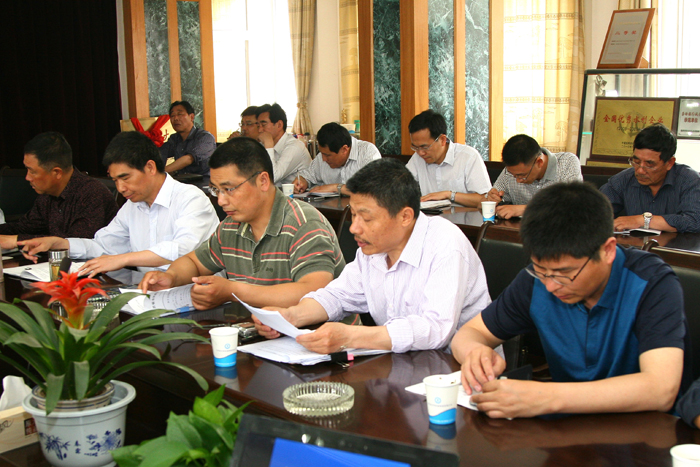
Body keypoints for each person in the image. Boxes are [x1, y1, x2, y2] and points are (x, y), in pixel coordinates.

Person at [451, 182, 687, 419]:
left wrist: (546, 397)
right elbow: (470, 333)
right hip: (567, 426)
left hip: (641, 429)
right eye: (541, 270)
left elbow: (661, 389)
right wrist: (475, 353)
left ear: (607, 250)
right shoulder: (535, 281)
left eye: (564, 273)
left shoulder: (651, 283)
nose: (551, 286)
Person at [256, 158, 491, 354]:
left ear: (405, 216)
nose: (354, 228)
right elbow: (337, 296)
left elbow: (435, 329)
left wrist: (352, 336)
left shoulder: (445, 244)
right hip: (400, 366)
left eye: (366, 218)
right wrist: (291, 315)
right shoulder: (372, 250)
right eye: (353, 214)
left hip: (459, 370)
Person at [138, 137, 344, 310]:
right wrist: (171, 277)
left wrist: (232, 291)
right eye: (216, 190)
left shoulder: (304, 224)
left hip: (322, 340)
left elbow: (313, 291)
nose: (221, 200)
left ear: (263, 181)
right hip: (262, 334)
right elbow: (194, 262)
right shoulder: (231, 226)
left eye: (229, 189)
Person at [19, 131, 220, 276]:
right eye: (115, 180)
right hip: (150, 294)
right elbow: (103, 246)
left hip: (201, 295)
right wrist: (62, 244)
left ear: (150, 167)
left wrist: (125, 258)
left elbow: (183, 249)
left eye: (125, 178)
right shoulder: (132, 206)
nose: (121, 188)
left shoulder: (190, 198)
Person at [0, 132, 117, 250]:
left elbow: (74, 244)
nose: (27, 177)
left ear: (57, 173)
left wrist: (17, 240)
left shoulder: (92, 194)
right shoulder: (47, 196)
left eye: (32, 171)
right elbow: (24, 227)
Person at [600, 123, 700, 233]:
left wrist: (642, 220)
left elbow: (694, 221)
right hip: (632, 243)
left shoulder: (690, 181)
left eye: (649, 164)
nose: (640, 170)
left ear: (669, 163)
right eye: (636, 162)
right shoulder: (624, 179)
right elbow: (594, 211)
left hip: (676, 244)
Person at [406, 110, 491, 208]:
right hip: (430, 216)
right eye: (415, 147)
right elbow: (401, 187)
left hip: (463, 217)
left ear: (442, 140)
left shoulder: (468, 157)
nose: (421, 152)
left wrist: (449, 195)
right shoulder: (417, 158)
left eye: (425, 147)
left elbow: (485, 199)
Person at [487, 134, 582, 219]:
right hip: (521, 230)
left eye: (522, 175)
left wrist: (524, 209)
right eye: (513, 175)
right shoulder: (513, 170)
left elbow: (573, 205)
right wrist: (494, 199)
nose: (518, 180)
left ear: (539, 162)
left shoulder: (567, 163)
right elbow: (492, 197)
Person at [293, 122, 381, 196]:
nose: (323, 159)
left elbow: (373, 188)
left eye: (328, 155)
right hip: (330, 209)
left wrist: (335, 187)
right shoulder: (323, 155)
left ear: (344, 149)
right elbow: (308, 175)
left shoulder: (367, 152)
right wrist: (302, 181)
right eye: (322, 153)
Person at [255, 103, 310, 186]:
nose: (260, 130)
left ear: (279, 125)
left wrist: (269, 145)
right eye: (258, 126)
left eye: (263, 125)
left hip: (298, 193)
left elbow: (272, 177)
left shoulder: (294, 147)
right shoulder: (263, 145)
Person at [159, 100, 216, 177]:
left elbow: (189, 159)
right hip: (182, 181)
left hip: (204, 181)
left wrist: (160, 173)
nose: (175, 118)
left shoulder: (205, 137)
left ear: (191, 117)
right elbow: (160, 154)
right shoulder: (174, 138)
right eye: (172, 116)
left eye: (180, 114)